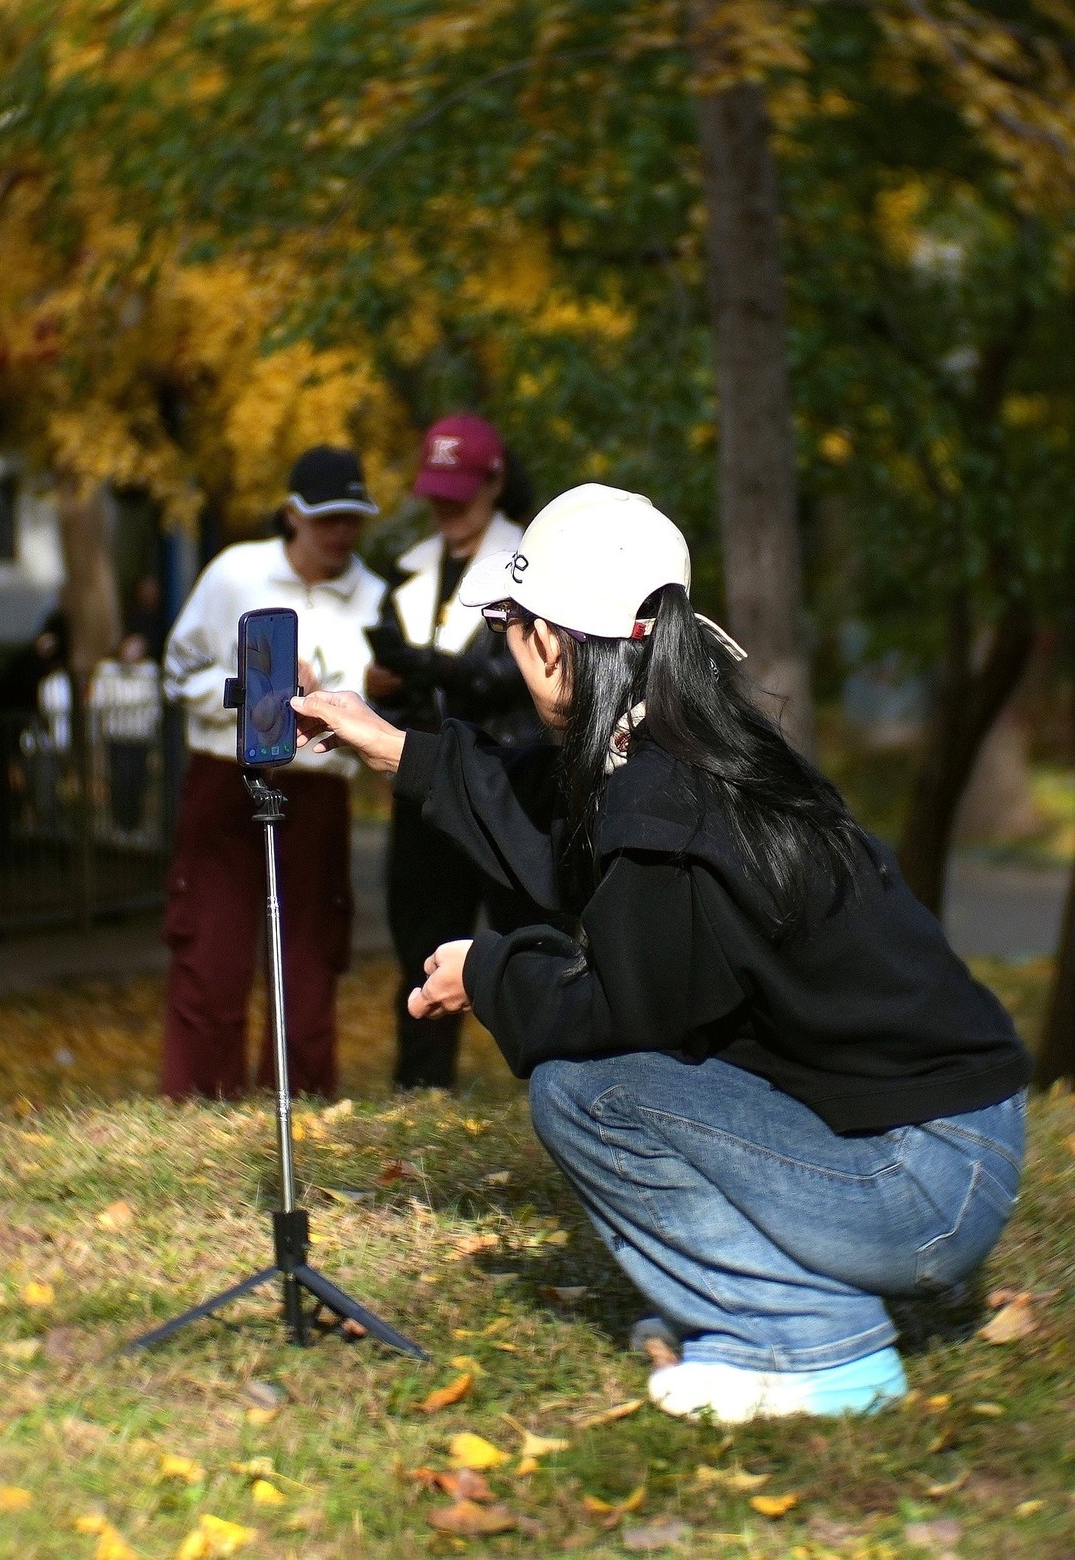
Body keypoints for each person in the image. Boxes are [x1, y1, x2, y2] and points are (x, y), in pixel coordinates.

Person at [292, 483, 1031, 1423]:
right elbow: (546, 810)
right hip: (947, 1151)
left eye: (511, 629)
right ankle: (779, 1311)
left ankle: (813, 1346)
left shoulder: (665, 804)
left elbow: (621, 1013)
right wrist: (392, 746)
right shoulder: (685, 744)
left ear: (551, 642)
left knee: (587, 1093)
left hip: (922, 1188)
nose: (511, 651)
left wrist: (488, 972)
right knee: (621, 1075)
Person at [161, 446, 385, 1100]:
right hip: (223, 779)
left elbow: (374, 707)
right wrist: (258, 692)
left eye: (352, 517)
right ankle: (201, 1104)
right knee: (211, 950)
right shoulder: (235, 574)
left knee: (309, 959)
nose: (340, 532)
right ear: (292, 514)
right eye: (325, 518)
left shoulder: (373, 598)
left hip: (316, 791)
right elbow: (179, 672)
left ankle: (302, 1105)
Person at [364, 413, 543, 1090]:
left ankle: (552, 1096)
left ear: (495, 482)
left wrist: (422, 666)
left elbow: (519, 679)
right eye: (435, 490)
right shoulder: (408, 569)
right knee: (421, 950)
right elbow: (415, 691)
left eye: (458, 490)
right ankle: (420, 1099)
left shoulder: (535, 565)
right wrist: (387, 686)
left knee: (528, 948)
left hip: (513, 789)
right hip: (429, 788)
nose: (444, 505)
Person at [0, 609, 70, 866]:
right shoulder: (33, 663)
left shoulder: (29, 659)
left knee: (1, 792)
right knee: (0, 792)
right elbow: (26, 698)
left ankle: (1, 849)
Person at [90, 632, 162, 835]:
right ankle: (121, 824)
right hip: (117, 736)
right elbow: (99, 700)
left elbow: (153, 706)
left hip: (140, 737)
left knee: (138, 781)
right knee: (120, 781)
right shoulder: (108, 670)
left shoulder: (149, 671)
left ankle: (134, 824)